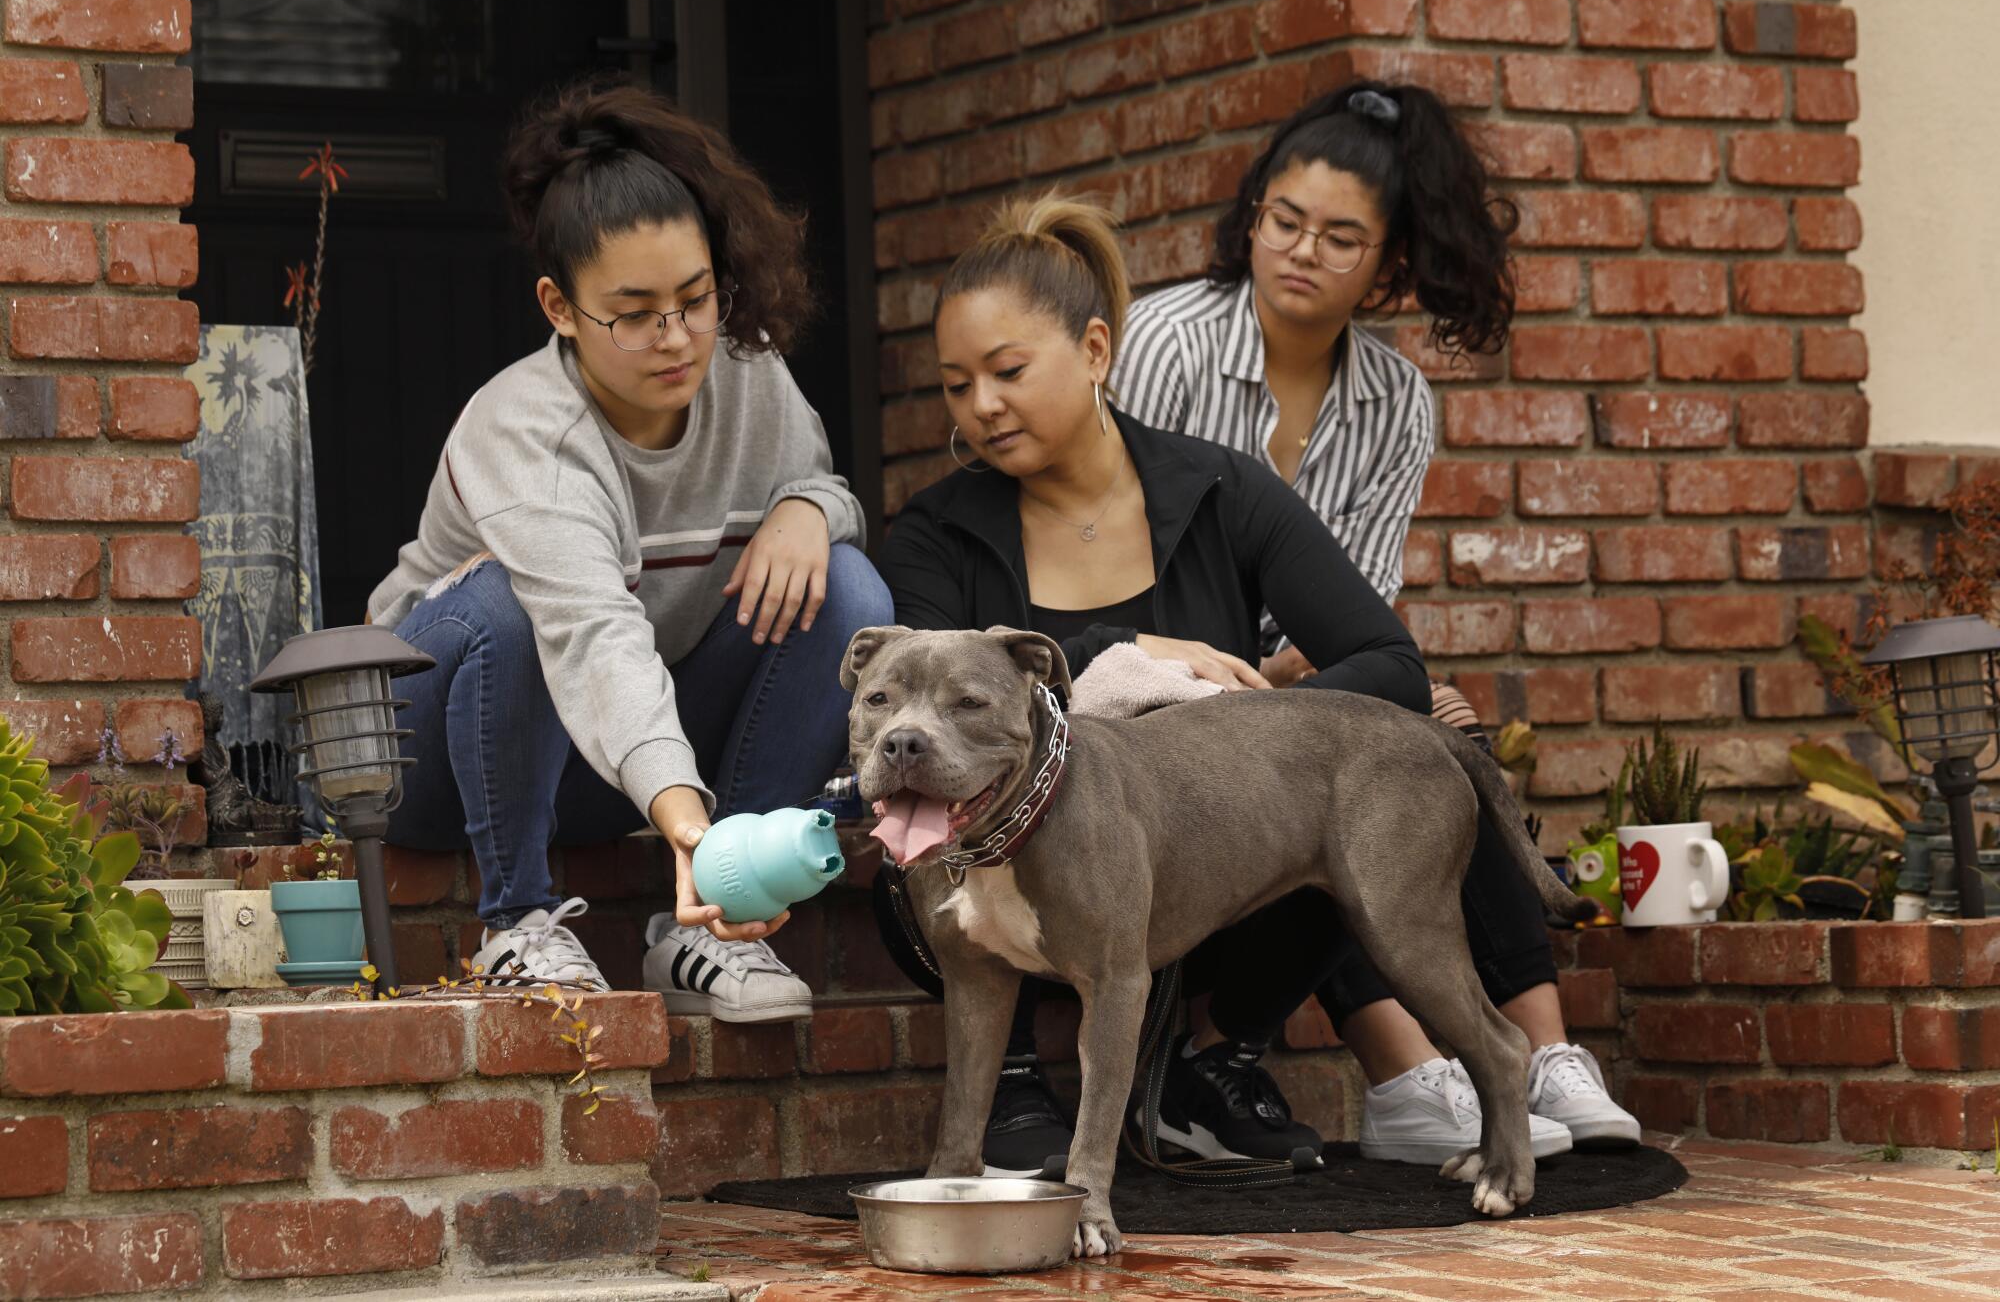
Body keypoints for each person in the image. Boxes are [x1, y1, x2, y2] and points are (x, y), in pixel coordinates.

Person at [871, 190, 1562, 1179]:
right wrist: (1134, 653)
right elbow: (932, 713)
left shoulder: (1219, 490)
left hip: (1203, 864)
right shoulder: (937, 533)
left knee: (1383, 759)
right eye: (955, 385)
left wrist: (1239, 730)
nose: (980, 405)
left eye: (1008, 371)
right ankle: (1015, 1076)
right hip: (1008, 884)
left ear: (1098, 350)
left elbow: (1389, 664)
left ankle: (1211, 1056)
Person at [1113, 79, 1639, 1163]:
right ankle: (1409, 1066)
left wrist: (1318, 685)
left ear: (1390, 262)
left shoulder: (1395, 400)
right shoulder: (1163, 341)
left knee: (1419, 730)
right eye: (1282, 220)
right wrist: (1275, 685)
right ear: (1251, 214)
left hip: (1284, 688)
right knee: (1362, 747)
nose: (1298, 251)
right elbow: (1122, 558)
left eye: (1339, 238)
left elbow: (1349, 605)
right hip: (1161, 694)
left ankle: (1538, 1053)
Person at [366, 82, 893, 1018]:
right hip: (430, 753)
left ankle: (714, 925)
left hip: (597, 764)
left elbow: (823, 483)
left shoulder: (747, 373)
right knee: (503, 602)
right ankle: (516, 921)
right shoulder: (524, 429)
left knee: (846, 589)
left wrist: (810, 507)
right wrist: (683, 818)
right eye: (635, 311)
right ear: (559, 307)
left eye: (696, 298)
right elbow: (593, 632)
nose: (677, 337)